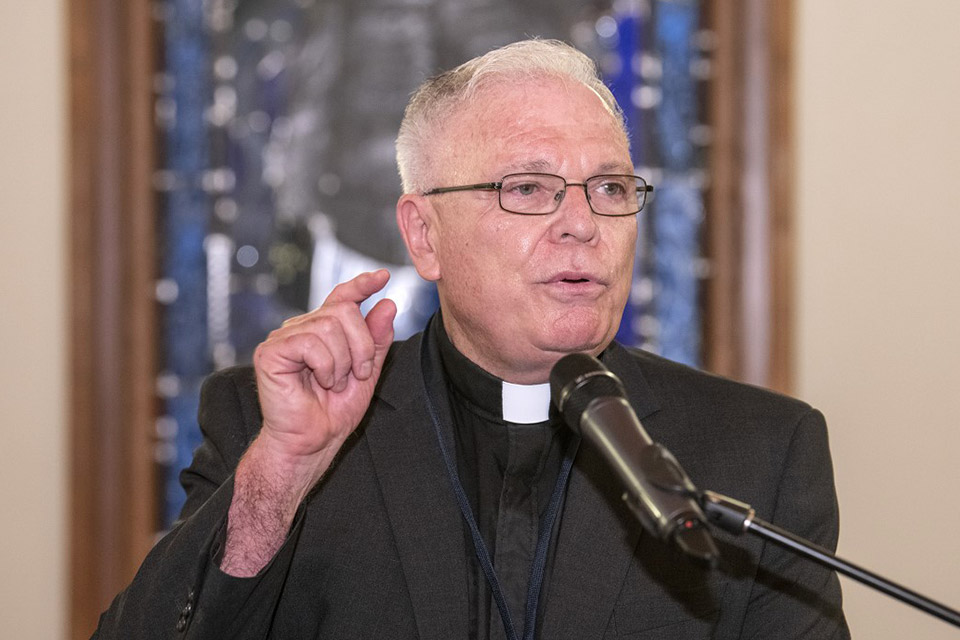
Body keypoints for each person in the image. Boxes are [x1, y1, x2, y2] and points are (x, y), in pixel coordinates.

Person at [95, 39, 849, 639]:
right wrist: (279, 477)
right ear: (423, 236)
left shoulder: (761, 451)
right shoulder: (269, 427)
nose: (583, 224)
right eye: (527, 189)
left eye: (611, 189)